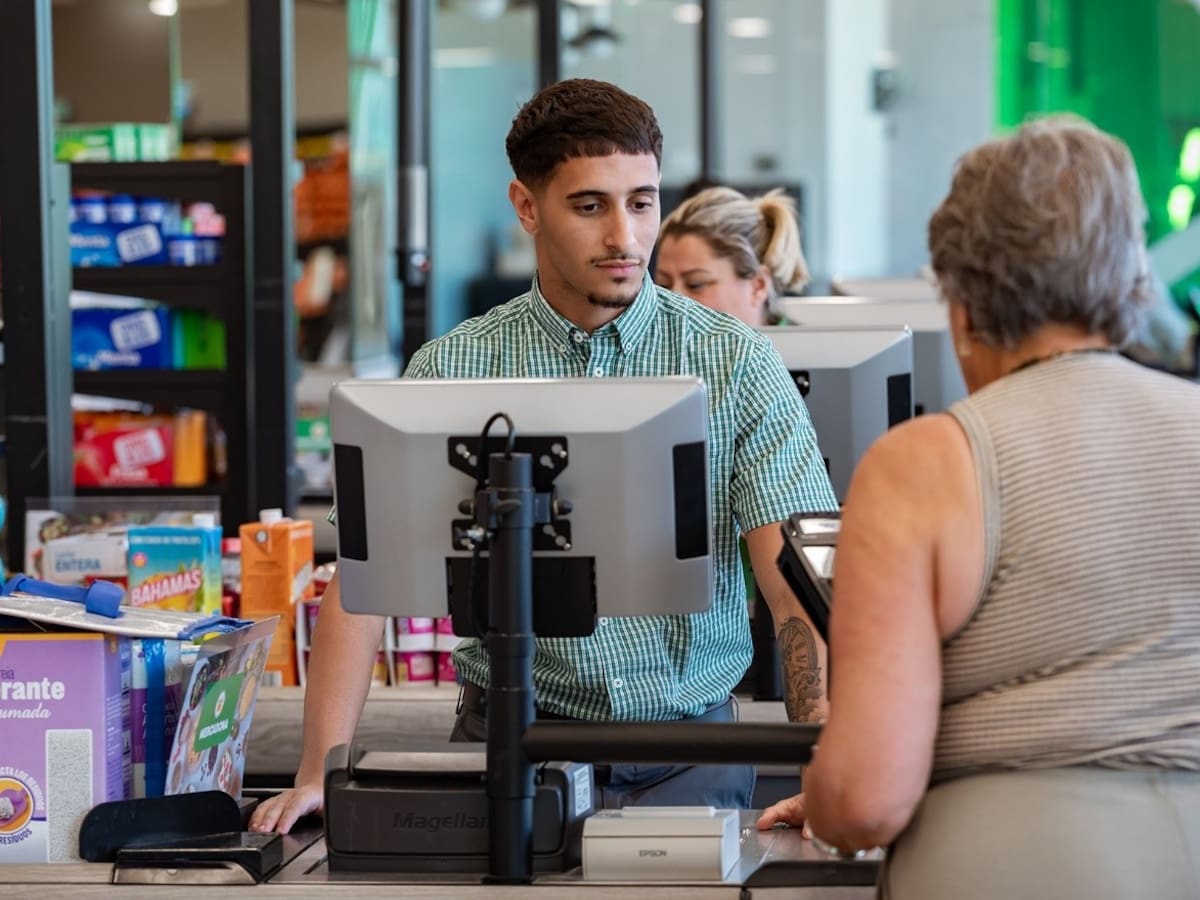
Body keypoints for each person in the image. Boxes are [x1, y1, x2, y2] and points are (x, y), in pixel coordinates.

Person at [251, 78, 836, 834]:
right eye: (590, 206)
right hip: (508, 748)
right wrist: (317, 771)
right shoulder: (451, 368)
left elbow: (794, 584)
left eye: (642, 202)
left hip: (691, 754)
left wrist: (826, 759)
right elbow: (362, 584)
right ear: (527, 208)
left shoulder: (736, 363)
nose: (625, 237)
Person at [758, 116, 1200, 899]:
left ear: (962, 306)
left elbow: (865, 801)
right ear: (1130, 278)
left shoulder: (925, 464)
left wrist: (829, 793)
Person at [655, 186, 808, 327]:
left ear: (758, 286)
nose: (672, 302)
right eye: (663, 286)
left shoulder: (810, 347)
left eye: (695, 284)